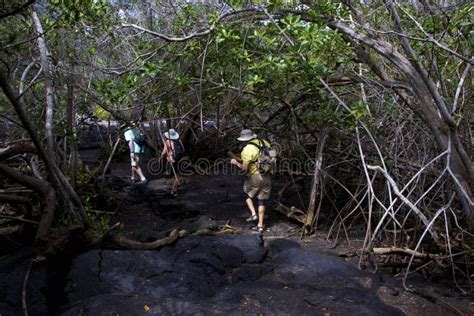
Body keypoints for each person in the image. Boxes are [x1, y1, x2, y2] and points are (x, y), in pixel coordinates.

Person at [230, 129, 271, 233]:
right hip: (266, 175)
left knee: (246, 194)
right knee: (262, 200)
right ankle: (260, 226)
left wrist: (235, 162)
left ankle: (253, 214)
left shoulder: (247, 149)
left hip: (254, 176)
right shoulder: (265, 143)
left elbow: (244, 168)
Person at [161, 128, 184, 196]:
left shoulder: (168, 141)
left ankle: (174, 190)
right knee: (176, 172)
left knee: (174, 175)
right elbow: (183, 149)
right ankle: (178, 184)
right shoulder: (178, 140)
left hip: (172, 159)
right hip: (178, 157)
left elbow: (164, 152)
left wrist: (162, 157)